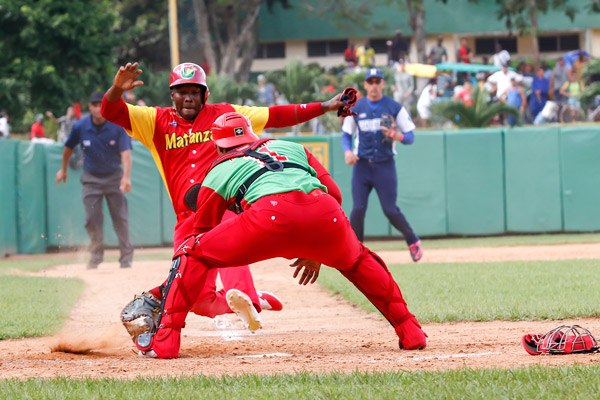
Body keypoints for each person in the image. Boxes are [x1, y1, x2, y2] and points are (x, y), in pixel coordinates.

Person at [134, 112, 427, 358]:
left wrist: (172, 285)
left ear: (219, 146)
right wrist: (317, 251)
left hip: (267, 217)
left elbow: (202, 233)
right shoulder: (292, 146)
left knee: (191, 250)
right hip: (326, 214)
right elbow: (334, 195)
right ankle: (411, 331)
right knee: (360, 260)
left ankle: (165, 341)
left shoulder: (220, 166)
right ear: (250, 134)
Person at [101, 62, 349, 340]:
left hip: (225, 206)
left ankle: (247, 297)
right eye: (181, 91)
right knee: (196, 298)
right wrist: (116, 90)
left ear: (205, 94)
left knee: (229, 248)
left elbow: (276, 115)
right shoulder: (154, 121)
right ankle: (254, 300)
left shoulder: (226, 116)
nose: (188, 97)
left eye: (195, 91)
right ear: (172, 95)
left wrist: (325, 106)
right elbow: (111, 112)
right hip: (187, 219)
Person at [341, 68, 422, 262]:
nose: (375, 85)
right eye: (371, 81)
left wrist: (398, 136)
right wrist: (347, 151)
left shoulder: (394, 107)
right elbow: (346, 134)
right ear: (366, 85)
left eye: (378, 81)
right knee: (358, 209)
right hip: (362, 166)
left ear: (383, 84)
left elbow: (410, 136)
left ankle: (412, 239)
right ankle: (356, 251)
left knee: (390, 210)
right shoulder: (357, 108)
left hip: (385, 165)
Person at [56, 91, 134, 270]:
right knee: (92, 218)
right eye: (95, 105)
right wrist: (63, 169)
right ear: (89, 107)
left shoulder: (116, 126)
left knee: (120, 218)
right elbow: (68, 148)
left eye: (101, 104)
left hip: (114, 177)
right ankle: (96, 256)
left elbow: (126, 154)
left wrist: (126, 177)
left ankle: (126, 259)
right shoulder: (80, 126)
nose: (98, 108)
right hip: (91, 178)